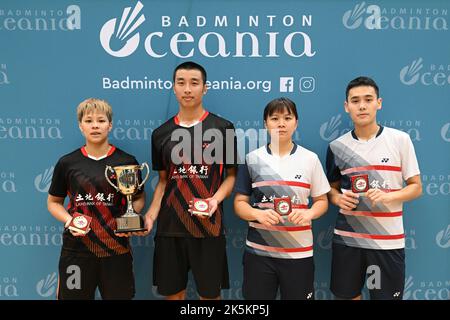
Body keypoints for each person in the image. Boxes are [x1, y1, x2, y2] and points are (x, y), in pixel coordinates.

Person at [142, 61, 237, 300]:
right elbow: (163, 182)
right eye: (181, 83)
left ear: (205, 88)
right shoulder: (160, 134)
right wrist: (151, 216)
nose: (187, 89)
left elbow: (232, 176)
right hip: (170, 229)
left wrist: (214, 201)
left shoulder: (223, 128)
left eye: (194, 83)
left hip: (208, 228)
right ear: (173, 87)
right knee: (173, 295)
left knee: (210, 297)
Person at [326, 76, 422, 300]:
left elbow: (416, 187)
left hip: (386, 242)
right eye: (355, 100)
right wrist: (337, 199)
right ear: (346, 106)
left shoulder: (400, 140)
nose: (362, 106)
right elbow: (330, 189)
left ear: (379, 103)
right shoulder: (336, 147)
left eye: (368, 99)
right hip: (348, 240)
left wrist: (390, 197)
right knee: (348, 296)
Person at [47, 98, 146, 299]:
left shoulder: (126, 162)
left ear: (110, 125)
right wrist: (69, 220)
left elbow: (138, 198)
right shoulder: (67, 163)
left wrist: (131, 218)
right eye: (88, 121)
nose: (95, 126)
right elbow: (53, 203)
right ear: (80, 126)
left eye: (101, 121)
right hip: (77, 251)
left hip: (116, 250)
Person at [233, 97, 330, 300]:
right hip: (259, 255)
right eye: (275, 118)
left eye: (287, 117)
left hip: (299, 254)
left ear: (296, 122)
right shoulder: (252, 159)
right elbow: (239, 203)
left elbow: (322, 201)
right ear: (265, 123)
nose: (281, 123)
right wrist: (256, 214)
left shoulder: (310, 159)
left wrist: (309, 213)